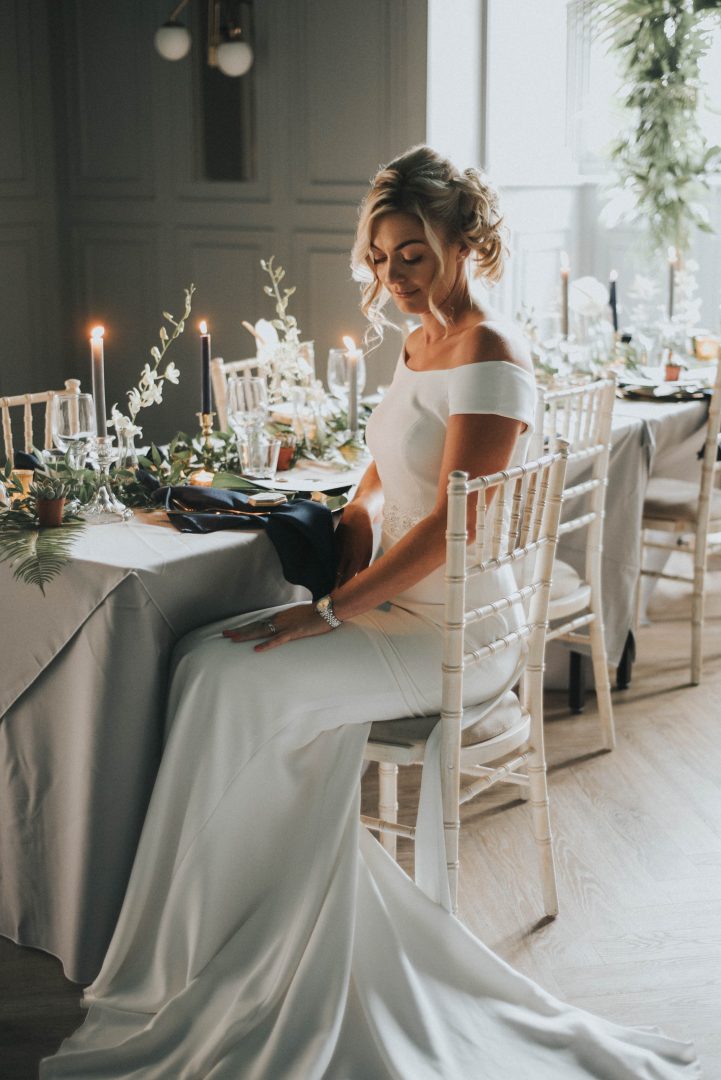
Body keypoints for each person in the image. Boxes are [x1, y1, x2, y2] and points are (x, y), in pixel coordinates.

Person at [41, 146, 698, 1078]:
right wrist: (353, 511)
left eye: (411, 255)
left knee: (229, 677)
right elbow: (388, 465)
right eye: (380, 258)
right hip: (398, 606)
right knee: (199, 657)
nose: (392, 276)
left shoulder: (489, 354)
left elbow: (453, 529)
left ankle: (228, 943)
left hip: (450, 630)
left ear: (464, 243)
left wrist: (331, 611)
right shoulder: (419, 340)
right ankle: (224, 929)